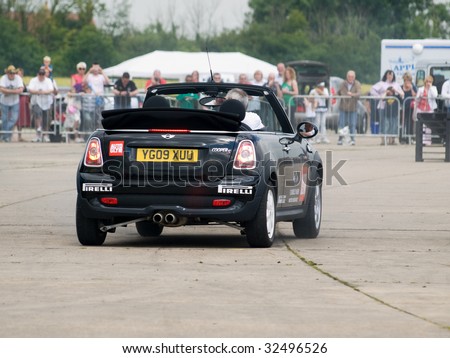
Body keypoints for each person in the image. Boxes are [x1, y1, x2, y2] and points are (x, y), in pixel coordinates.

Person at [370, 70, 404, 145]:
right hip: (383, 106)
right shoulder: (381, 84)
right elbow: (372, 90)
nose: (390, 77)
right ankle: (383, 139)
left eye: (391, 75)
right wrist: (380, 95)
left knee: (393, 123)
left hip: (394, 107)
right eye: (388, 75)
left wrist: (395, 90)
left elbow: (402, 94)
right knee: (384, 123)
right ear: (386, 75)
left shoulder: (396, 84)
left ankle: (392, 140)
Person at [28, 68, 55, 142]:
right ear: (37, 74)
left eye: (43, 74)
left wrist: (43, 92)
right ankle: (38, 132)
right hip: (36, 101)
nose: (41, 76)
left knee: (46, 119)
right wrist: (37, 91)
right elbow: (30, 89)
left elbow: (51, 89)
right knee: (37, 114)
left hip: (47, 102)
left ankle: (45, 134)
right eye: (40, 74)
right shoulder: (33, 80)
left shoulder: (48, 80)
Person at [337, 70, 362, 146]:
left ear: (354, 77)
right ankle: (340, 139)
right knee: (341, 124)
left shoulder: (357, 84)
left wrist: (352, 94)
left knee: (352, 124)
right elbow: (339, 92)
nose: (350, 78)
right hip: (343, 107)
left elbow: (359, 93)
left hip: (353, 107)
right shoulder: (342, 83)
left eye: (352, 77)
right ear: (346, 77)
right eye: (349, 76)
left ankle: (352, 139)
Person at [0, 65, 24, 142]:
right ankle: (6, 137)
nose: (12, 74)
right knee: (4, 119)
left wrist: (8, 91)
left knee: (14, 119)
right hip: (4, 102)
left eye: (13, 73)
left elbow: (21, 90)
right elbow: (1, 89)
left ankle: (4, 135)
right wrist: (14, 91)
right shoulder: (3, 78)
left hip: (14, 102)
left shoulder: (18, 78)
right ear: (7, 73)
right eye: (10, 73)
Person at [83, 62, 110, 128]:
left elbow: (108, 82)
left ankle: (100, 128)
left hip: (100, 98)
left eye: (97, 68)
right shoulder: (89, 76)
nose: (95, 70)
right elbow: (83, 81)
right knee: (92, 116)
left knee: (100, 116)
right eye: (94, 68)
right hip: (91, 100)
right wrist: (89, 71)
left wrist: (102, 71)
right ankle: (93, 128)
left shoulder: (101, 76)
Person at [416, 75, 438, 146]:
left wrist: (430, 88)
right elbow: (417, 99)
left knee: (429, 125)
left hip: (429, 108)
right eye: (427, 81)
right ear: (425, 82)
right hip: (421, 108)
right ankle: (422, 140)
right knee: (422, 125)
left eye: (430, 81)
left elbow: (435, 96)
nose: (428, 83)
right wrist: (419, 96)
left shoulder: (434, 88)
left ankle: (428, 141)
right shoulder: (420, 89)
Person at [400, 72, 417, 144]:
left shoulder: (413, 87)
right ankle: (402, 138)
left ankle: (409, 138)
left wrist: (411, 89)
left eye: (409, 80)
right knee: (402, 123)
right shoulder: (401, 87)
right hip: (402, 107)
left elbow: (415, 95)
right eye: (406, 80)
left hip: (411, 108)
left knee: (410, 123)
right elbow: (399, 96)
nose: (407, 82)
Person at [16, 67, 30, 142]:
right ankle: (9, 135)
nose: (19, 75)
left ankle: (19, 136)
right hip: (17, 101)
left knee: (20, 120)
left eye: (20, 74)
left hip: (22, 102)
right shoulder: (16, 82)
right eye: (17, 74)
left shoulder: (21, 81)